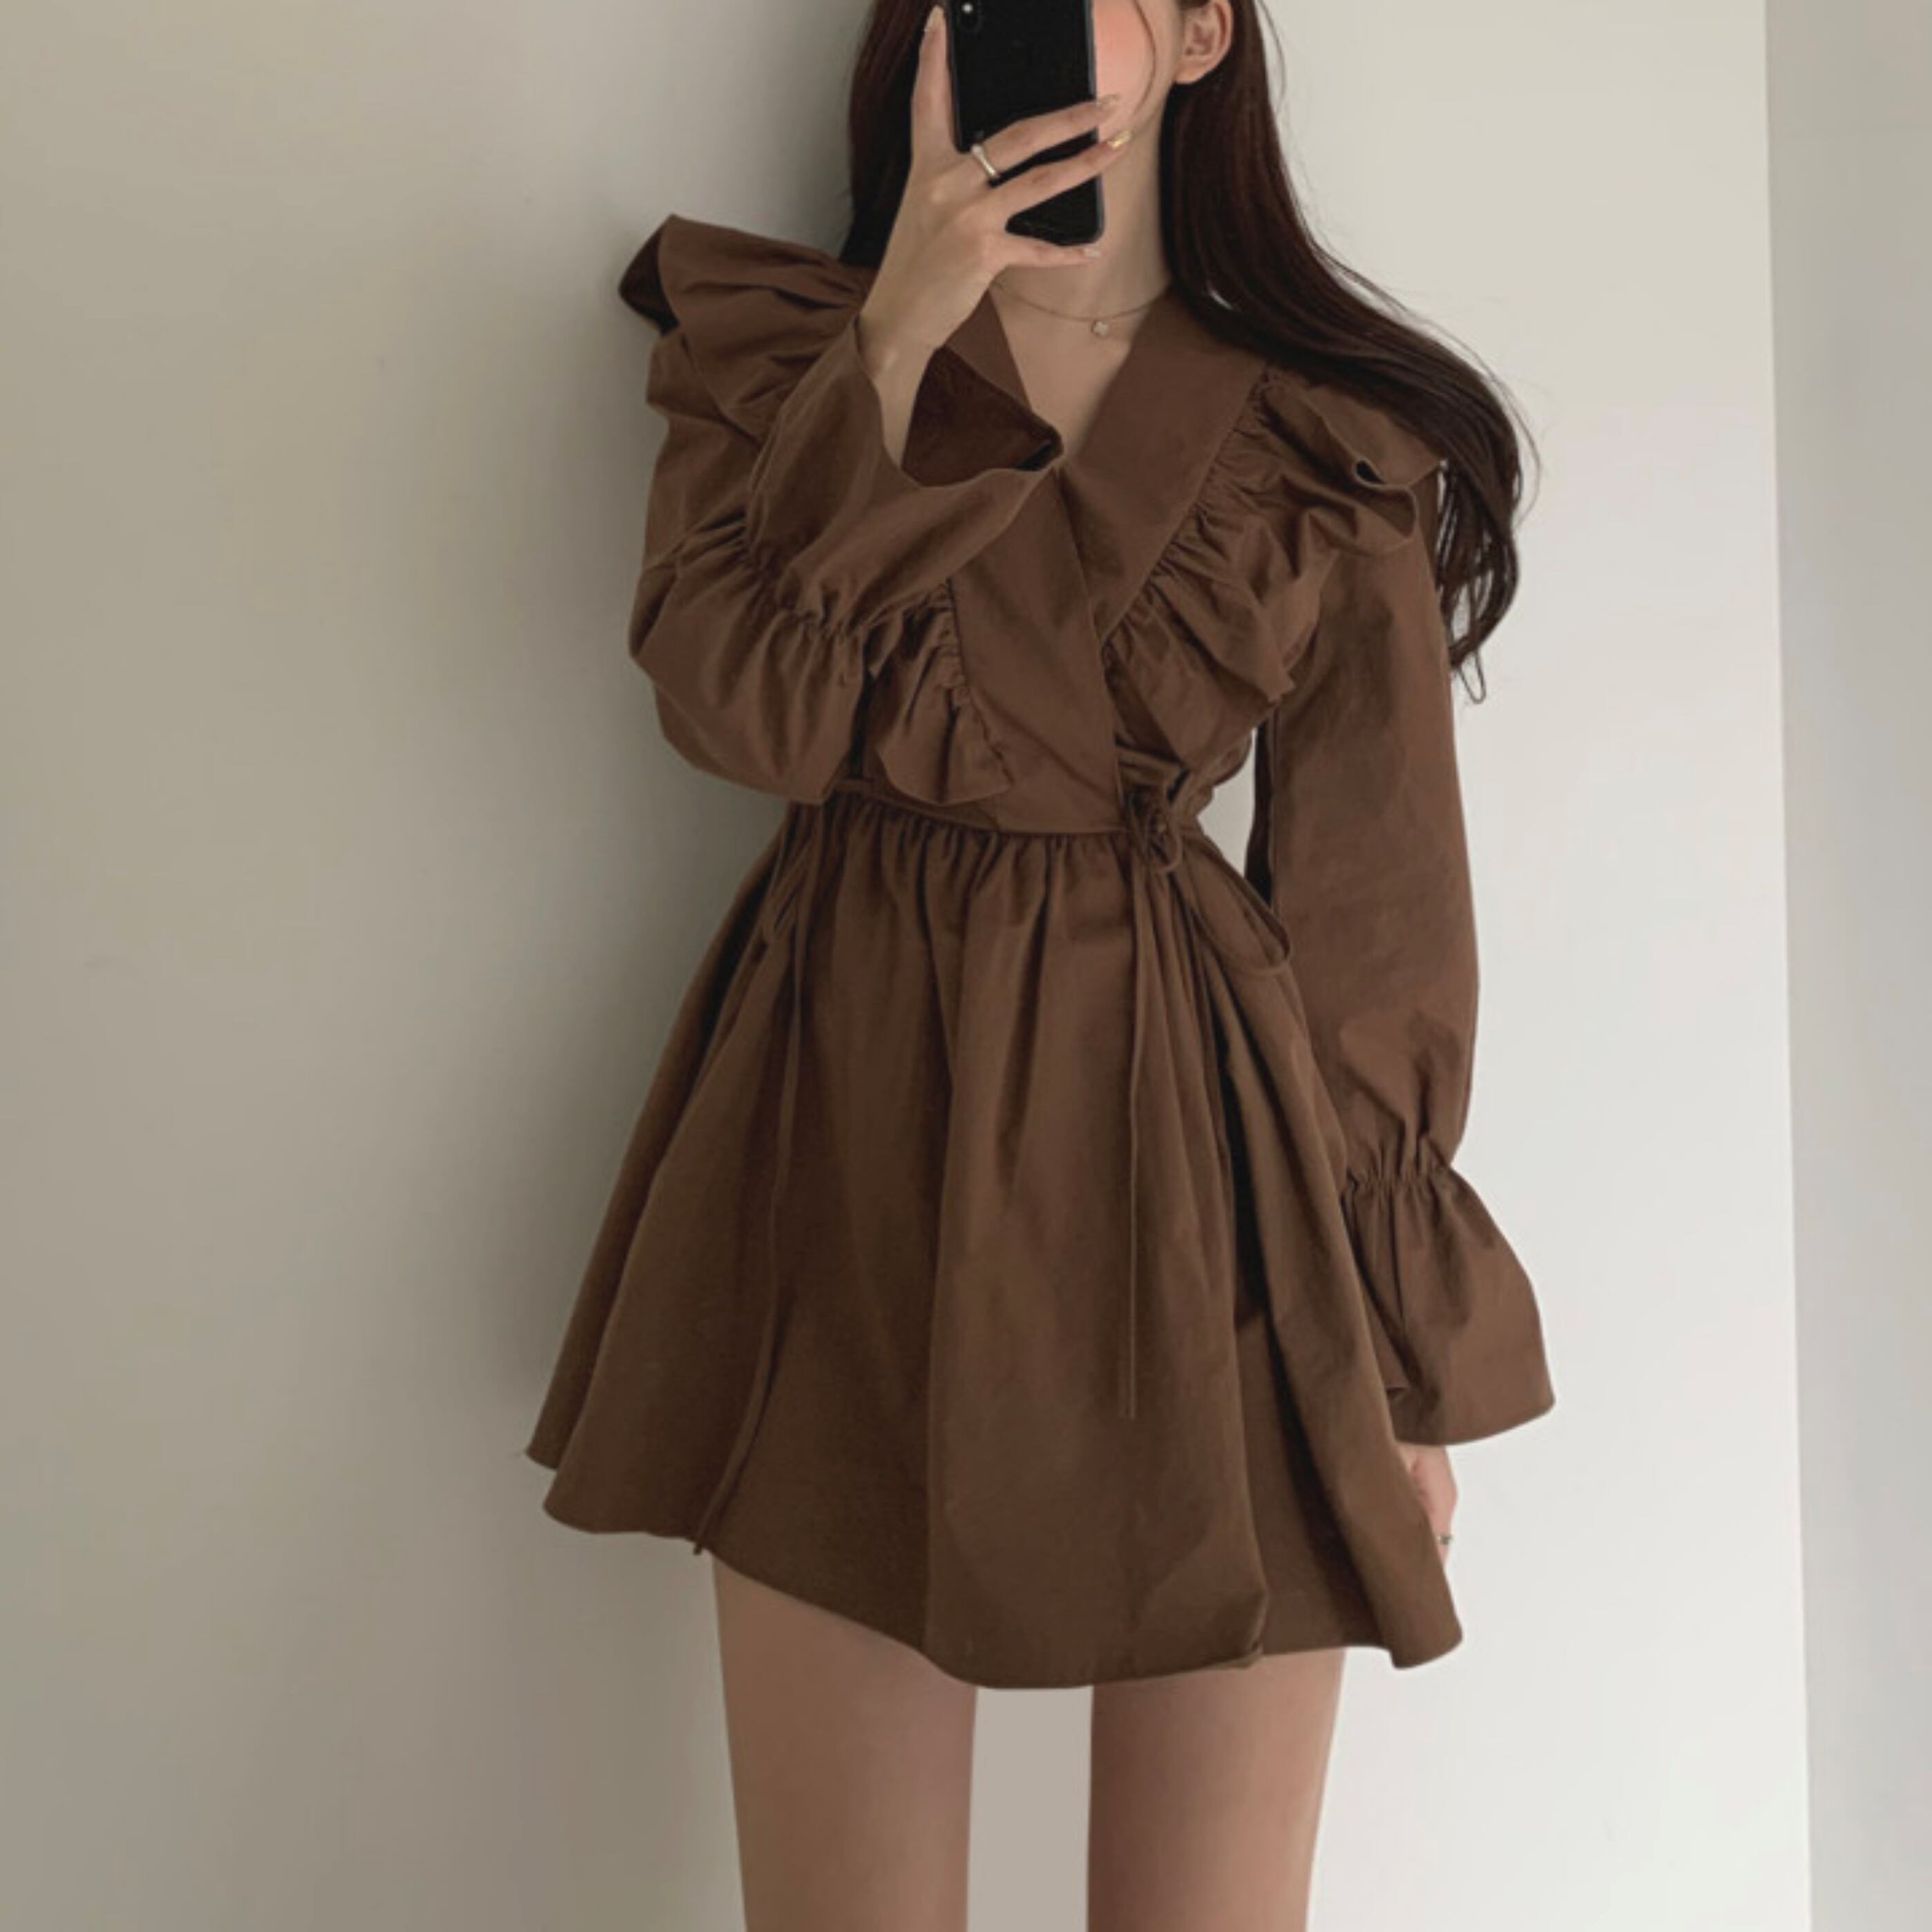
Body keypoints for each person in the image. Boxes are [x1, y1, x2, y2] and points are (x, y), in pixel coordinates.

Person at [524, 1, 1556, 1924]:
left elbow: (1378, 905)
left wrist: (1400, 1364)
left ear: (1200, 30)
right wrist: (897, 336)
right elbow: (745, 716)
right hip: (849, 1153)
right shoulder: (782, 357)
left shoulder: (1326, 435)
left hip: (1213, 1187)